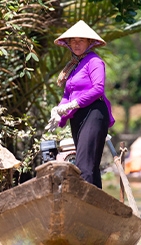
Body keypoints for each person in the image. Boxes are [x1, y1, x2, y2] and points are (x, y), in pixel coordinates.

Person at [45, 20, 115, 189]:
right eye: (73, 41)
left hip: (94, 114)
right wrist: (58, 112)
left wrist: (72, 104)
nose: (76, 44)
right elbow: (67, 94)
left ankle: (85, 206)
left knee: (84, 166)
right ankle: (98, 207)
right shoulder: (74, 66)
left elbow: (98, 89)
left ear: (89, 42)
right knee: (89, 166)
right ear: (68, 44)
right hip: (78, 116)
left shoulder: (94, 61)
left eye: (81, 40)